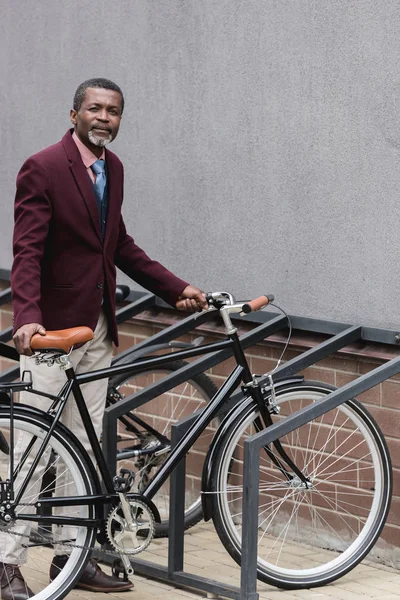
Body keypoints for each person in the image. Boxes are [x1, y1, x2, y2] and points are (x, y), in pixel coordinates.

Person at [1, 78, 207, 600]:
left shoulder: (113, 169)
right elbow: (26, 249)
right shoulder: (42, 166)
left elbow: (119, 245)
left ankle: (74, 557)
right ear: (73, 113)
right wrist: (26, 317)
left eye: (113, 111)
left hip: (96, 330)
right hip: (51, 331)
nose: (104, 117)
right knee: (35, 449)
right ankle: (5, 562)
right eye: (94, 108)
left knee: (87, 447)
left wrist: (175, 286)